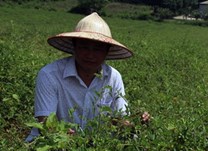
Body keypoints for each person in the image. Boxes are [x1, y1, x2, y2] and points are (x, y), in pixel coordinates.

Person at [25, 12, 149, 142]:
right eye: (84, 47)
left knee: (133, 139)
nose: (90, 55)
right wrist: (61, 134)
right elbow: (45, 123)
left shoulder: (113, 77)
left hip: (94, 149)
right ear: (74, 46)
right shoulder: (50, 74)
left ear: (107, 52)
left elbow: (119, 120)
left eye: (98, 49)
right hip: (54, 147)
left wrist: (136, 121)